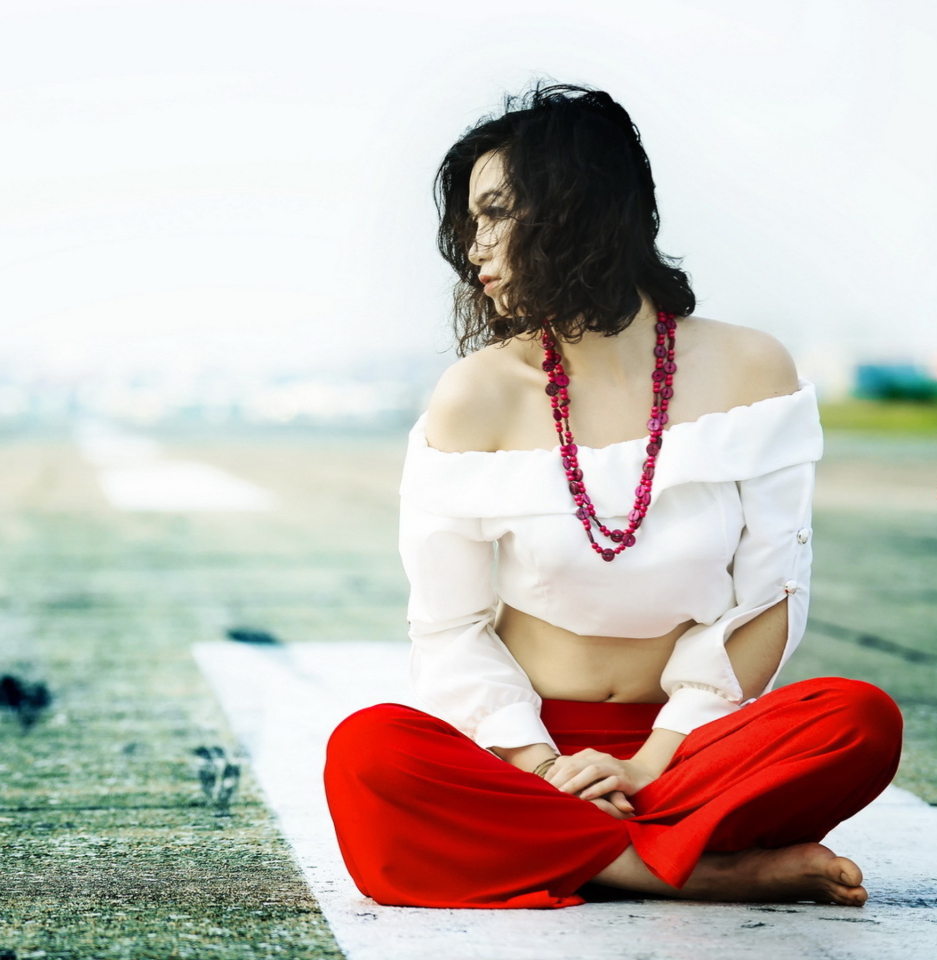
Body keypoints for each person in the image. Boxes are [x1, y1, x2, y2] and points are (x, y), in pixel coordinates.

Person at [323, 82, 903, 910]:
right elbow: (447, 630)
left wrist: (646, 763)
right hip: (521, 752)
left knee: (858, 720)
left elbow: (773, 599)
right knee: (368, 752)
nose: (473, 248)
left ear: (579, 210)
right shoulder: (473, 397)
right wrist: (543, 768)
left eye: (496, 213)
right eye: (469, 221)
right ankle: (694, 869)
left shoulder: (752, 373)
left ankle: (584, 848)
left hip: (689, 748)